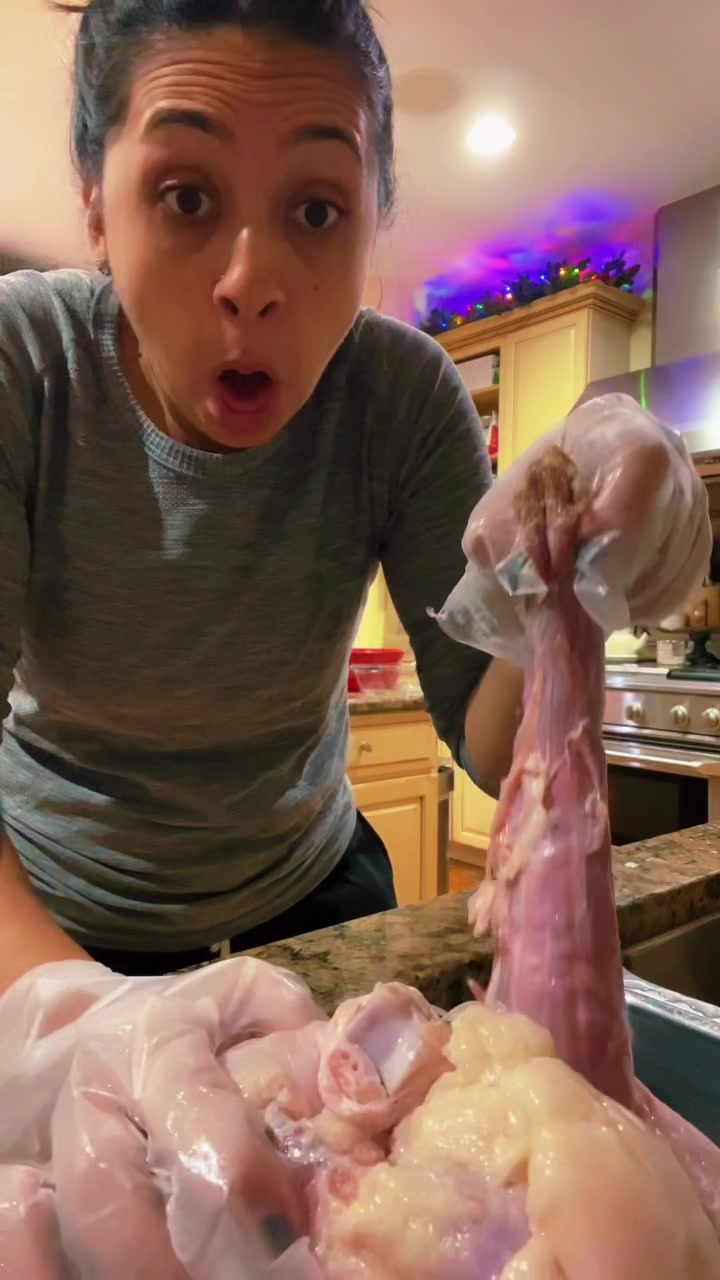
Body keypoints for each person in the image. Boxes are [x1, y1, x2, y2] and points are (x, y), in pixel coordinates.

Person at [0, 0, 527, 991]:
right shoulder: (26, 362)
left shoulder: (401, 397)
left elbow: (498, 747)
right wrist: (75, 1013)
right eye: (186, 197)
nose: (250, 283)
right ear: (96, 207)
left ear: (371, 222)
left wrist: (574, 571)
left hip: (309, 891)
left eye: (317, 211)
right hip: (53, 917)